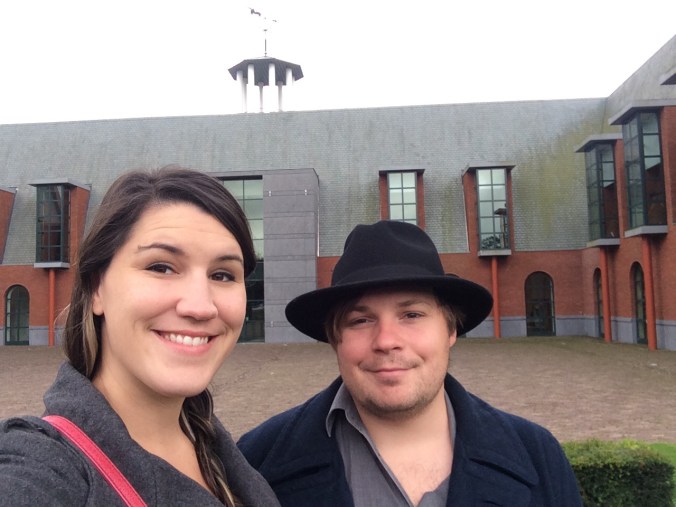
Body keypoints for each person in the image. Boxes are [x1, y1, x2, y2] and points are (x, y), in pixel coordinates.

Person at [238, 220, 582, 506]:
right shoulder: (255, 461)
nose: (386, 340)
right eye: (360, 320)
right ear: (334, 338)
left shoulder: (538, 457)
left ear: (450, 330)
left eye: (412, 315)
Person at [0, 167, 280, 506]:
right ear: (97, 288)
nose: (200, 306)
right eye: (161, 267)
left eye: (222, 275)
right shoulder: (41, 465)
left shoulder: (214, 445)